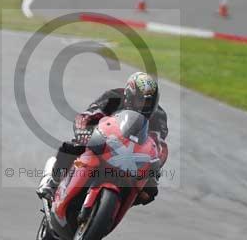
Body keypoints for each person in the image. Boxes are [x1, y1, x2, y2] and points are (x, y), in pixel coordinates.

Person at [36, 72, 168, 205]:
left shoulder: (159, 116)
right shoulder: (114, 97)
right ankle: (52, 183)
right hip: (102, 142)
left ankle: (116, 207)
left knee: (149, 192)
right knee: (72, 148)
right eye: (141, 100)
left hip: (131, 158)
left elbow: (159, 146)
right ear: (129, 95)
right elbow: (87, 115)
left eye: (149, 103)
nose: (144, 106)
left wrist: (155, 164)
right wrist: (83, 133)